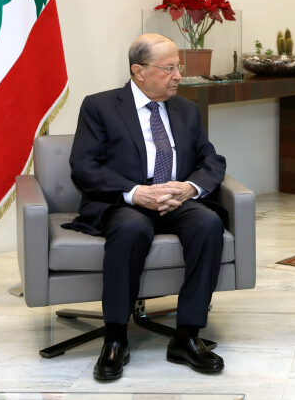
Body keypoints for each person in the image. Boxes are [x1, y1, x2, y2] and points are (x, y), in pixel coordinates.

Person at [66, 33, 228, 381]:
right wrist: (135, 192)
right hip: (126, 201)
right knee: (131, 228)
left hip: (175, 198)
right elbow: (84, 167)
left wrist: (188, 188)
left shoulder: (187, 109)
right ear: (139, 71)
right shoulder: (100, 106)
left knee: (208, 223)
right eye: (169, 68)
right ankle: (115, 338)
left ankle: (187, 336)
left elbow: (211, 159)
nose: (178, 76)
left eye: (178, 67)